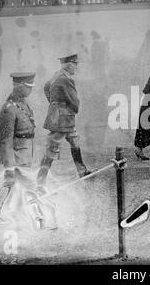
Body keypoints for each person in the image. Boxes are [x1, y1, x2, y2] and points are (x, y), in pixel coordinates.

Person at [36, 54, 92, 195]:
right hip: (62, 118)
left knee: (74, 141)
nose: (77, 67)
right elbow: (74, 101)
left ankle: (82, 170)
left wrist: (53, 103)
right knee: (52, 147)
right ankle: (40, 180)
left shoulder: (56, 75)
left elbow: (46, 87)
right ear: (69, 65)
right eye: (75, 64)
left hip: (61, 116)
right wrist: (71, 107)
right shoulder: (66, 79)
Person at [0, 73, 36, 221]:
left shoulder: (23, 104)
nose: (30, 90)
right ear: (18, 86)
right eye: (27, 87)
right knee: (11, 182)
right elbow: (5, 139)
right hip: (15, 155)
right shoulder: (9, 108)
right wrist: (9, 165)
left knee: (21, 185)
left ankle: (22, 215)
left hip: (25, 153)